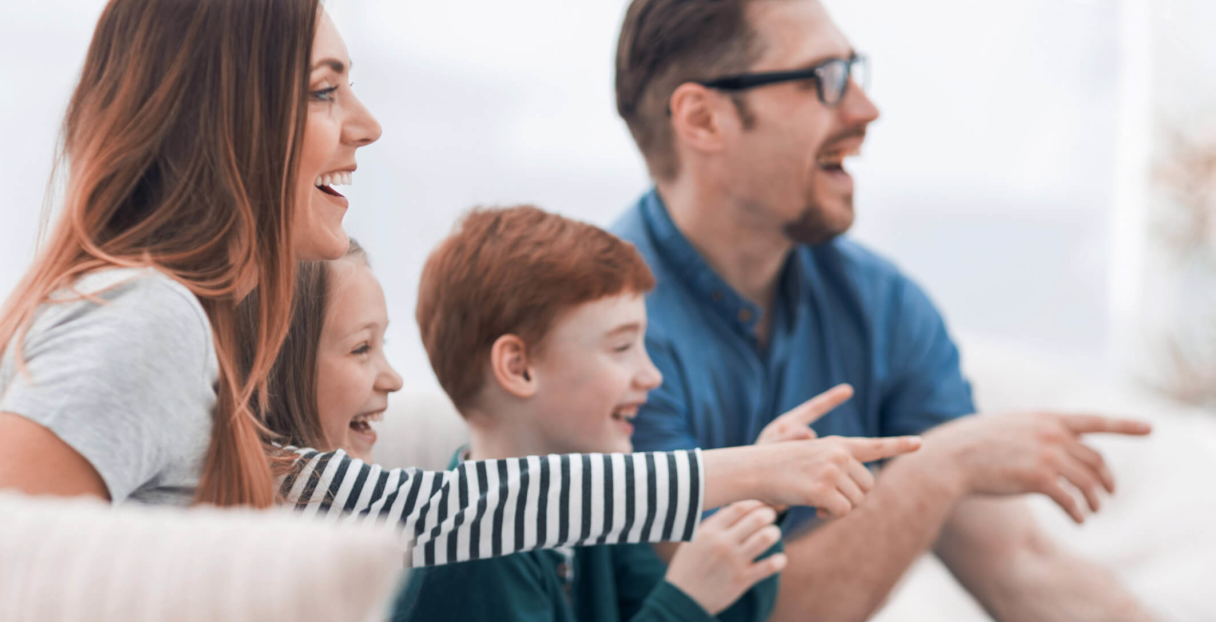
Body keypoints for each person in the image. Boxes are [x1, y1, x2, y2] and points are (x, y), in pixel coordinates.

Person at [0, 0, 903, 569]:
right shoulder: (141, 317)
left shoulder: (197, 338)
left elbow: (434, 512)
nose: (367, 124)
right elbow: (24, 592)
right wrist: (750, 473)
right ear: (223, 116)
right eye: (324, 90)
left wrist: (752, 472)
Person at [609, 1, 1216, 622]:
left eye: (854, 72)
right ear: (703, 119)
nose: (865, 109)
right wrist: (939, 469)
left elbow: (1021, 566)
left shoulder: (880, 304)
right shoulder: (604, 337)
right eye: (824, 79)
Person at [378, 206, 902, 622]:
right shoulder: (473, 552)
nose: (651, 375)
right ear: (519, 368)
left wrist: (759, 506)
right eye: (622, 347)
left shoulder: (597, 515)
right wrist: (686, 600)